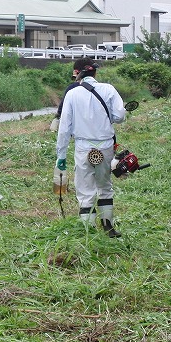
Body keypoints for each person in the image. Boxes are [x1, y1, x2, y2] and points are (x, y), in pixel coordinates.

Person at [56, 58, 126, 237]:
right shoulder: (108, 89)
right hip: (105, 146)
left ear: (77, 73)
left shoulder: (72, 94)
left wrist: (61, 155)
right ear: (95, 73)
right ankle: (109, 229)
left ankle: (88, 233)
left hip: (83, 148)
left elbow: (64, 128)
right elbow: (120, 116)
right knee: (105, 187)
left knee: (85, 190)